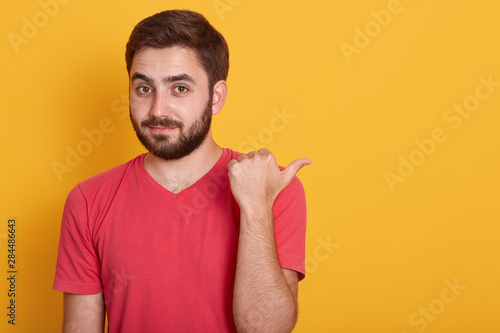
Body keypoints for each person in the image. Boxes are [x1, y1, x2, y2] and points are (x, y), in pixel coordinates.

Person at [53, 9, 310, 333]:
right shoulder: (88, 201)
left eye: (179, 89)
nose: (158, 109)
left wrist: (256, 207)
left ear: (215, 97)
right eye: (144, 88)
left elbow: (266, 330)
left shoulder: (272, 188)